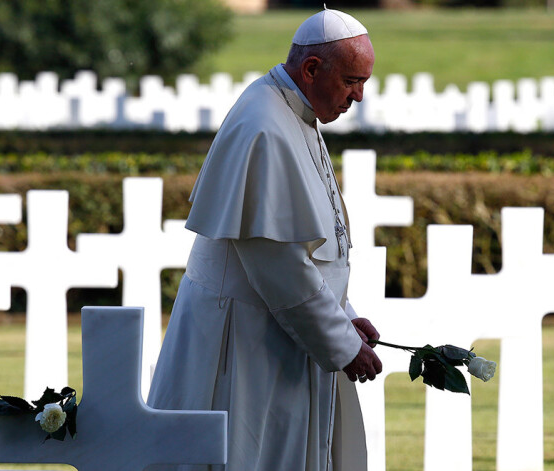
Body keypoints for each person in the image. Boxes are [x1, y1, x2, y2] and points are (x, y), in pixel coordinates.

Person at [147, 7, 382, 471]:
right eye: (352, 80)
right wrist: (340, 341)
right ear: (312, 69)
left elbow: (313, 246)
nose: (357, 96)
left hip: (280, 336)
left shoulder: (296, 112)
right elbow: (279, 264)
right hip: (243, 345)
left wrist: (344, 316)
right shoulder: (264, 125)